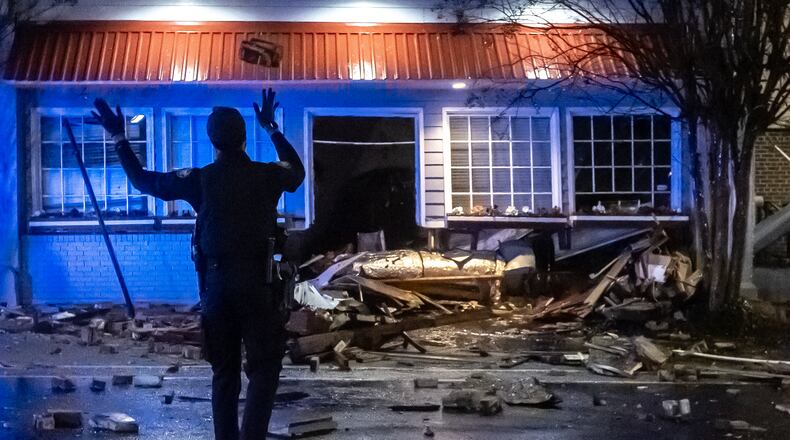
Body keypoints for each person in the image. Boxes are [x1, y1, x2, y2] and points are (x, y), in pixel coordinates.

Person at [92, 88, 305, 440]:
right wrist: (272, 128)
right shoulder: (267, 175)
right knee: (264, 369)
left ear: (212, 141)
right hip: (259, 285)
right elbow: (296, 170)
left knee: (224, 374)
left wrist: (118, 137)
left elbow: (142, 180)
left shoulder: (200, 179)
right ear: (244, 137)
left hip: (217, 287)